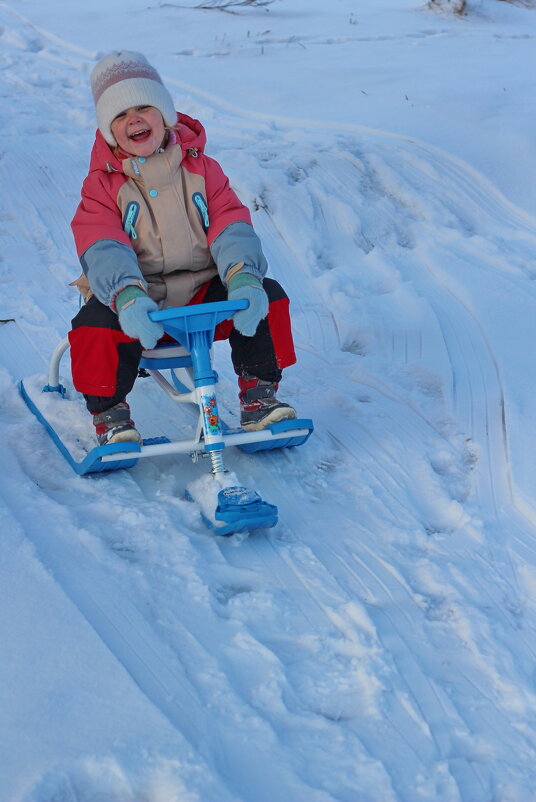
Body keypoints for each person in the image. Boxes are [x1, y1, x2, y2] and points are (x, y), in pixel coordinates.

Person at [69, 51, 297, 446]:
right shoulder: (102, 185)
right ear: (109, 131)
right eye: (120, 116)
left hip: (203, 295)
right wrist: (125, 294)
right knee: (94, 326)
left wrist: (243, 274)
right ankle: (111, 417)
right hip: (141, 299)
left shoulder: (202, 169)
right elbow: (102, 243)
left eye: (144, 107)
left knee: (267, 295)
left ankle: (260, 395)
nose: (134, 120)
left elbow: (230, 224)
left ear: (166, 114)